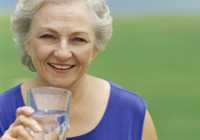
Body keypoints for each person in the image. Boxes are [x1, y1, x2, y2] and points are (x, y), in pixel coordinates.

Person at [0, 0, 157, 140]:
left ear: (95, 48)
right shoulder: (3, 113)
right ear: (27, 42)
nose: (63, 53)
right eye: (48, 36)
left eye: (78, 39)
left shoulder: (131, 113)